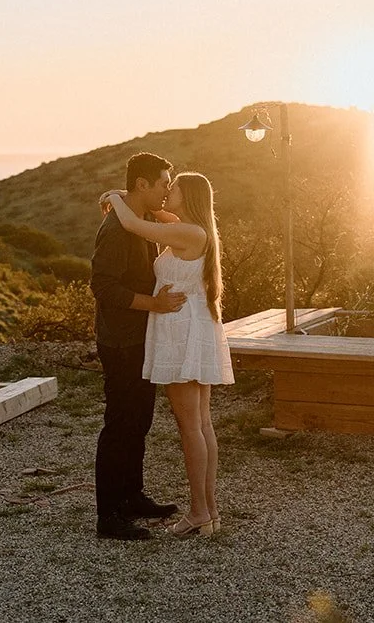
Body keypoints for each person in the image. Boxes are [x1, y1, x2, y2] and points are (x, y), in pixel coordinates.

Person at [101, 170, 233, 538]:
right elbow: (154, 212)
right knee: (201, 424)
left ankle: (198, 512)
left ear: (187, 196)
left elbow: (134, 224)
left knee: (192, 426)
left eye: (172, 188)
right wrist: (129, 195)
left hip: (181, 331)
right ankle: (210, 511)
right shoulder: (190, 228)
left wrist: (114, 197)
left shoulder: (187, 233)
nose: (167, 192)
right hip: (192, 326)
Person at [89, 152, 185, 540]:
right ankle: (109, 516)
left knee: (139, 420)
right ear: (142, 184)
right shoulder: (116, 229)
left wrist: (116, 195)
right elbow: (103, 287)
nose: (167, 190)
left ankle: (132, 496)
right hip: (120, 341)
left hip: (141, 338)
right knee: (120, 424)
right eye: (163, 183)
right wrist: (155, 304)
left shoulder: (139, 217)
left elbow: (168, 217)